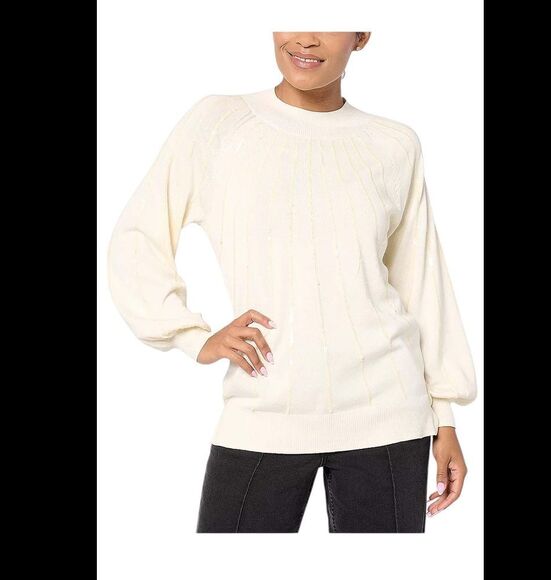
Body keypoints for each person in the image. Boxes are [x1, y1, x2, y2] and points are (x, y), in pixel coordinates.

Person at [107, 31, 478, 533]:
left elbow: (422, 283)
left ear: (361, 35)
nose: (306, 37)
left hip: (390, 414)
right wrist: (191, 335)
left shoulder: (394, 144)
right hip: (263, 408)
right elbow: (138, 238)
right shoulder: (218, 123)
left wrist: (445, 415)